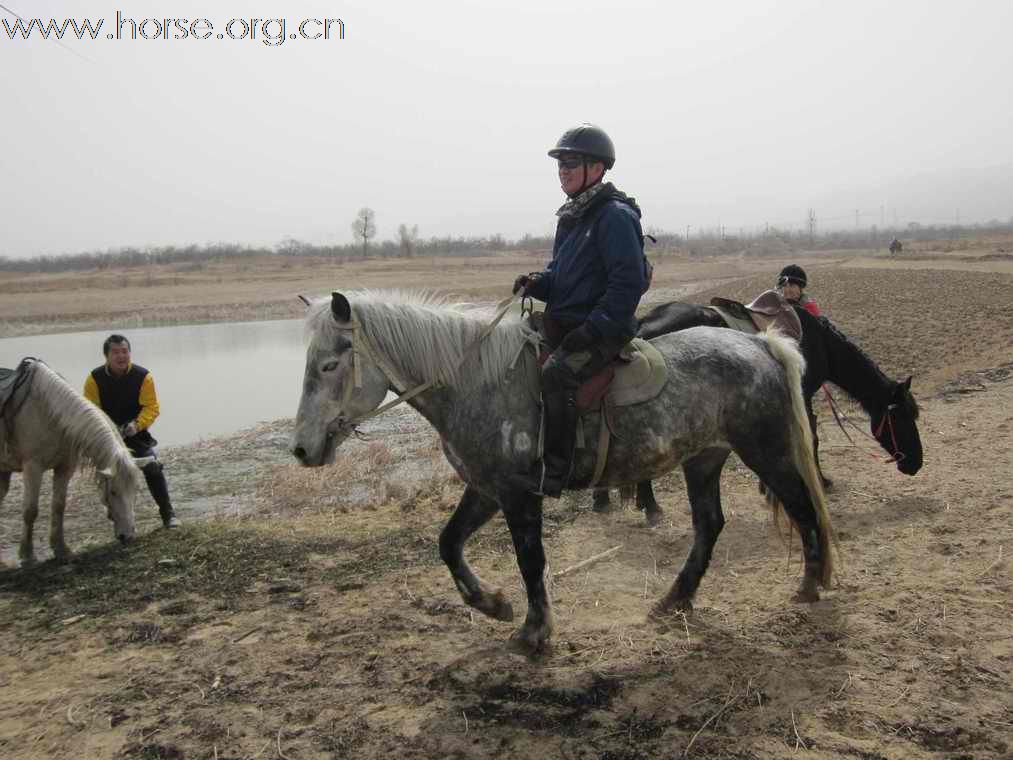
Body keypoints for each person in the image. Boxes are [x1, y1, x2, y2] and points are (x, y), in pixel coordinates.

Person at [510, 123, 650, 497]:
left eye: (572, 162)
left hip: (603, 329)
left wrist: (594, 328)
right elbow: (561, 273)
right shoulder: (571, 217)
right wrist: (538, 283)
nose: (563, 171)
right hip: (567, 322)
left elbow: (627, 284)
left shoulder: (615, 216)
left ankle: (558, 472)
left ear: (598, 168)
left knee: (556, 374)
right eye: (560, 164)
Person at [84, 334, 180, 528]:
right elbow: (90, 411)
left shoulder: (143, 376)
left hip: (135, 435)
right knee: (108, 476)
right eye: (116, 352)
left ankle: (168, 514)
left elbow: (152, 407)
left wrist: (136, 425)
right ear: (106, 356)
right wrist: (109, 430)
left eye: (125, 351)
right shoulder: (93, 379)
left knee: (153, 467)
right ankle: (119, 520)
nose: (121, 356)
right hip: (106, 439)